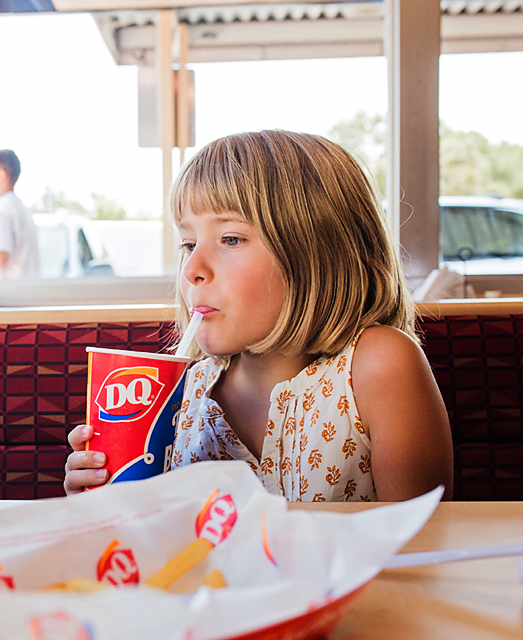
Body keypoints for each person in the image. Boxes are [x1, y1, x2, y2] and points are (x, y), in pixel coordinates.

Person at [64, 130, 454, 502]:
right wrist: (99, 501)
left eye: (230, 239)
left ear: (315, 253)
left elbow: (421, 544)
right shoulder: (184, 393)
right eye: (188, 243)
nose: (192, 268)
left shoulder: (377, 365)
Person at [0, 149, 40, 279]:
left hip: (8, 294)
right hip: (26, 291)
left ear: (0, 176)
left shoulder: (2, 208)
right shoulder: (20, 208)